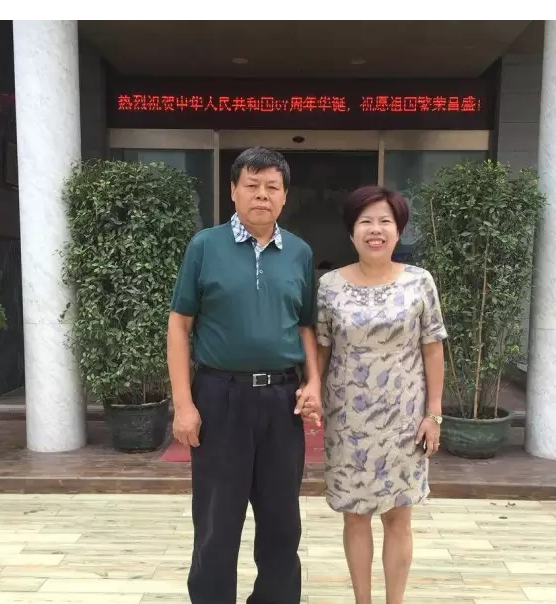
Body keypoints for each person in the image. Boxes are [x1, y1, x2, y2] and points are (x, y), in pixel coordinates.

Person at [167, 147, 322, 604]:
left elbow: (306, 326)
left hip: (281, 400)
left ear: (285, 196)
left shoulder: (299, 252)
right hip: (220, 397)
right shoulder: (205, 246)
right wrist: (183, 404)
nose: (262, 195)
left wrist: (313, 382)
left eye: (272, 187)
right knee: (217, 521)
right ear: (233, 191)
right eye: (252, 185)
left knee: (281, 521)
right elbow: (179, 326)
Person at [313, 185, 447, 604]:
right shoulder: (330, 285)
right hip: (348, 421)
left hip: (405, 421)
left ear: (398, 230)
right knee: (355, 517)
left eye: (385, 221)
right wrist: (312, 392)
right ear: (351, 232)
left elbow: (433, 347)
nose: (376, 229)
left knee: (398, 517)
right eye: (365, 221)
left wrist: (434, 414)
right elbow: (321, 348)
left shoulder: (419, 281)